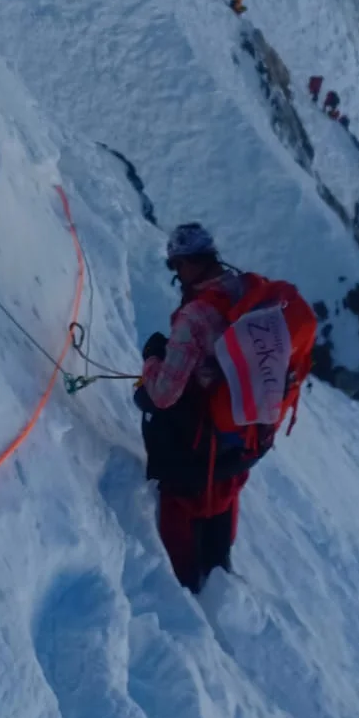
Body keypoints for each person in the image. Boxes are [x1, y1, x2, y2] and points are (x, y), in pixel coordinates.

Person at [135, 223, 316, 593]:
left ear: (187, 263)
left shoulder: (194, 317)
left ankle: (185, 588)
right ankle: (220, 572)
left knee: (178, 485)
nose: (177, 275)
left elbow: (164, 394)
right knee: (224, 492)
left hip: (204, 441)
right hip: (248, 435)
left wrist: (152, 359)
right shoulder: (247, 290)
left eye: (176, 266)